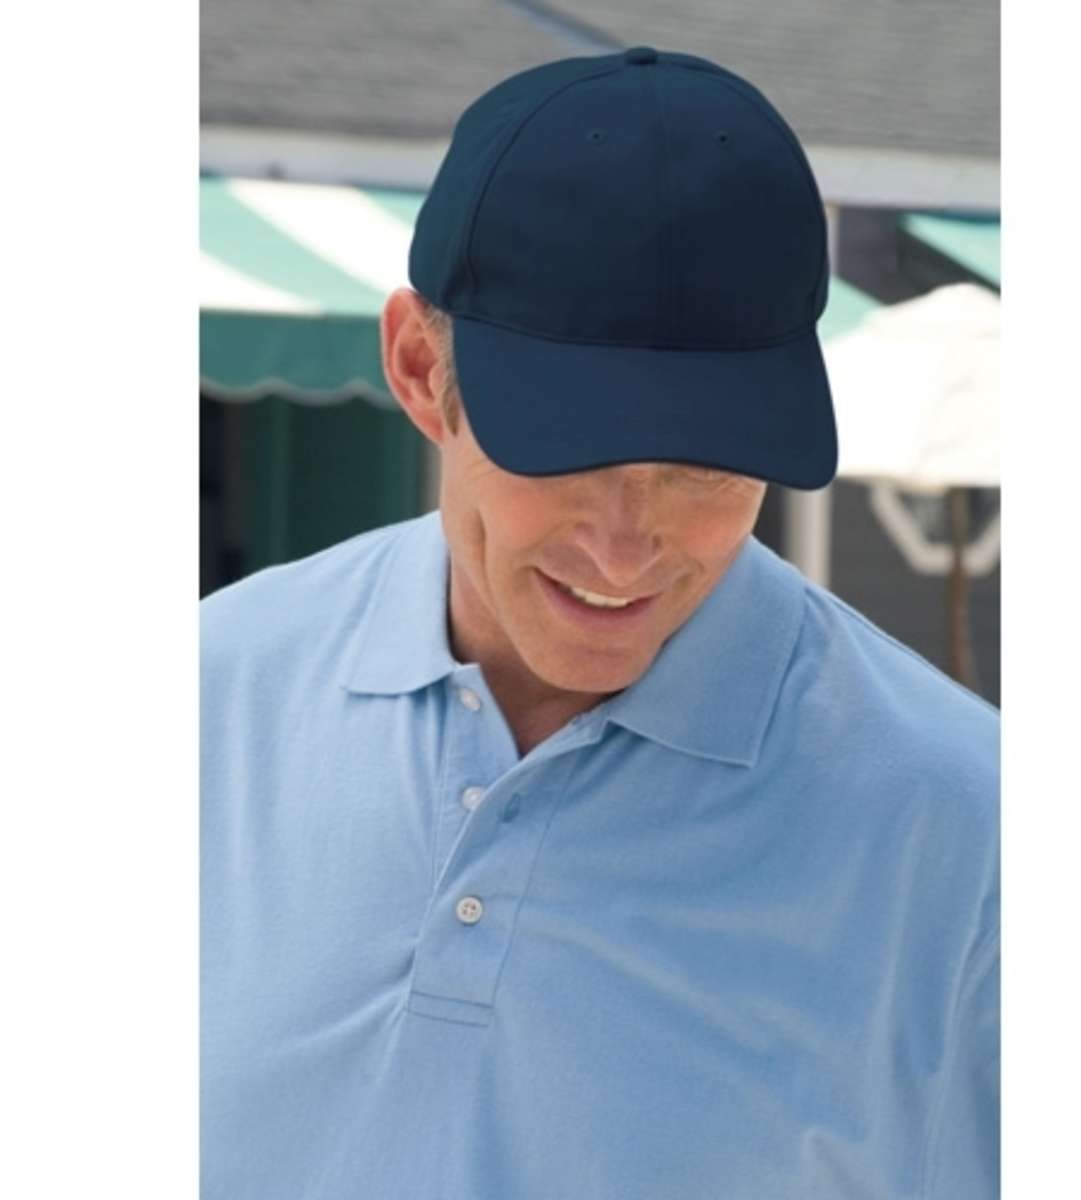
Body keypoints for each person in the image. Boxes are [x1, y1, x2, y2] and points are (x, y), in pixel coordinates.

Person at [201, 46, 998, 1200]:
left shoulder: (975, 844)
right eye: (568, 452)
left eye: (705, 468)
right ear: (420, 370)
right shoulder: (200, 703)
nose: (627, 550)